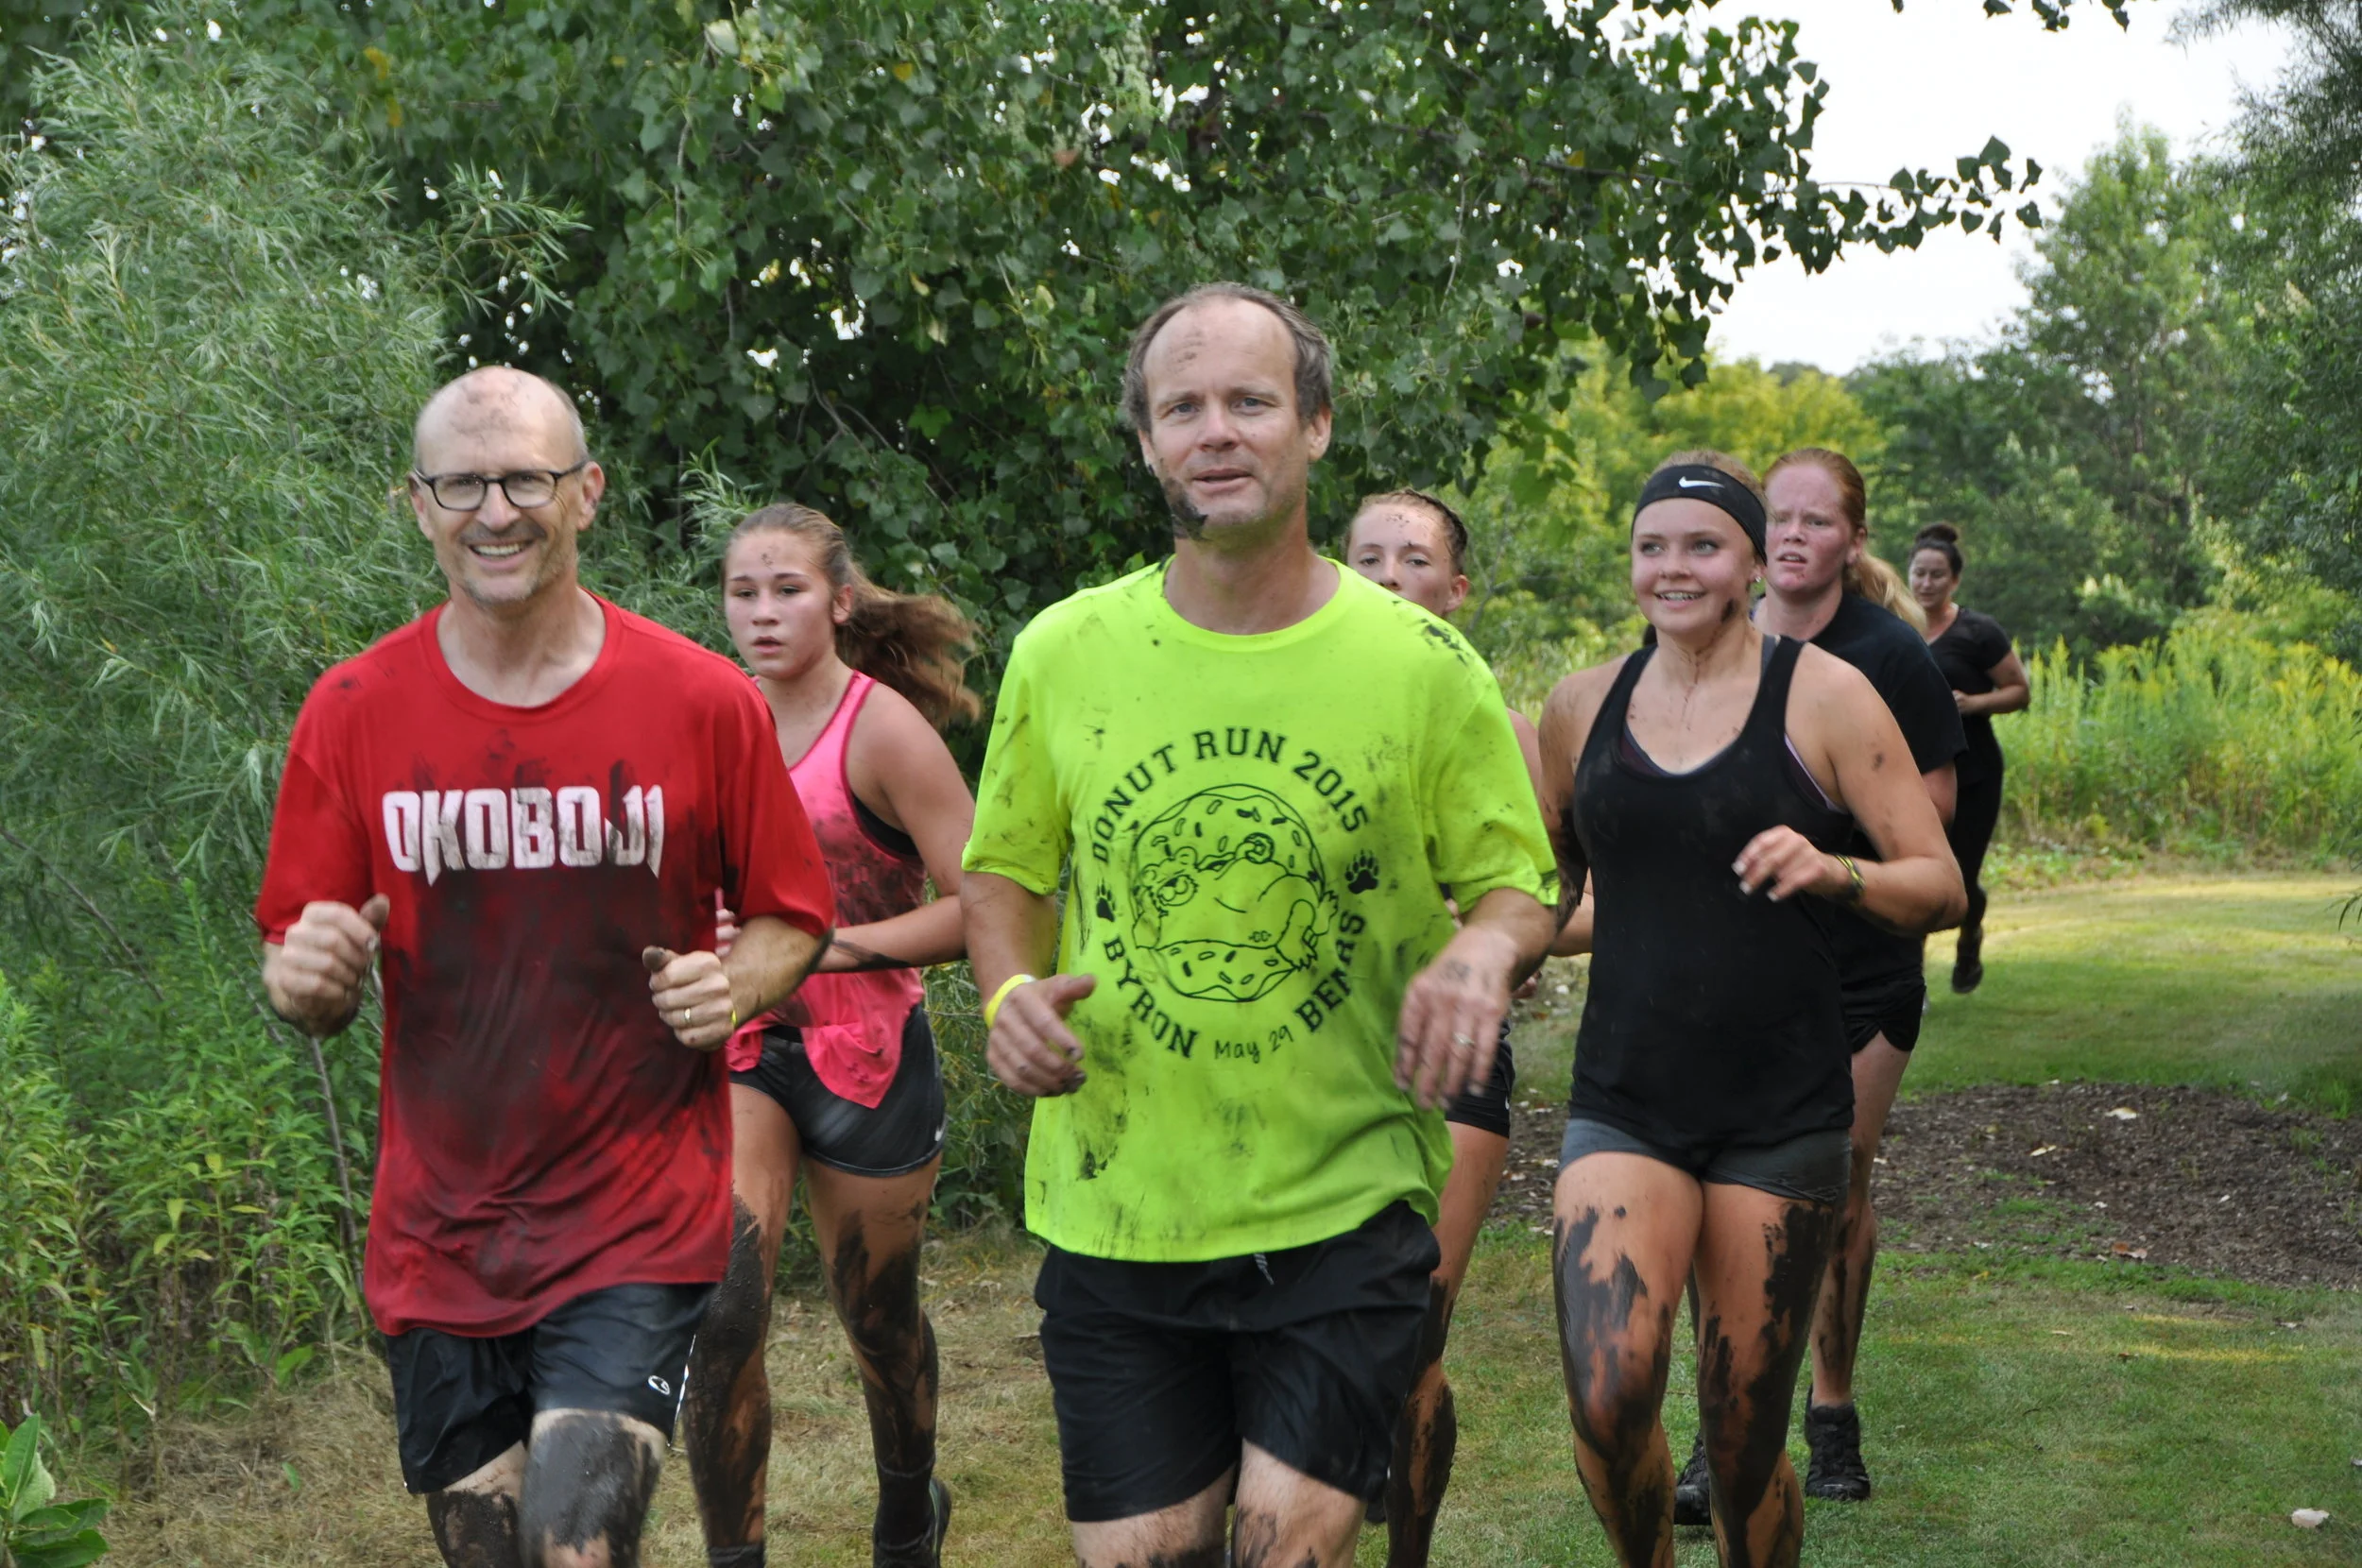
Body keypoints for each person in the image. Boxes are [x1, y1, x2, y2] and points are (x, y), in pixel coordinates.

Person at [961, 283, 1558, 1568]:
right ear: (1146, 443)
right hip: (1119, 1199)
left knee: (1288, 1548)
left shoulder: (1421, 664)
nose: (1216, 431)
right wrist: (1008, 994)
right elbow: (1003, 873)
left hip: (1344, 1197)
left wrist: (1484, 945)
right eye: (1182, 407)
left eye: (1250, 400)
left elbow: (1520, 884)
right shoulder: (1063, 651)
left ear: (1316, 425)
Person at [255, 367, 834, 1568]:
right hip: (440, 1236)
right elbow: (300, 958)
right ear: (418, 503)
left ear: (586, 493)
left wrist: (734, 985)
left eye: (526, 480)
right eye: (462, 484)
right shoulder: (352, 710)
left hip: (634, 1215)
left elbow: (792, 916)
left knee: (576, 1549)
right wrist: (307, 979)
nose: (495, 512)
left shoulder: (700, 701)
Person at [1537, 451, 1963, 1568]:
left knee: (1738, 1444)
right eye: (1651, 546)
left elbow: (1938, 883)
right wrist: (1496, 944)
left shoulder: (1824, 693)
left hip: (1779, 1110)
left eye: (1702, 545)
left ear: (1749, 564)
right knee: (1607, 1398)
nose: (1672, 567)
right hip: (1625, 1097)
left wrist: (1832, 871)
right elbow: (1560, 886)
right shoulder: (1580, 706)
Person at [1666, 446, 1965, 1517]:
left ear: (1852, 538)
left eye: (1816, 521)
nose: (1794, 537)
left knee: (1834, 1186)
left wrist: (1814, 837)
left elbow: (1931, 817)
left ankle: (1830, 1406)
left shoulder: (1888, 656)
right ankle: (1720, 1423)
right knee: (1723, 1191)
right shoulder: (1703, 638)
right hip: (1737, 960)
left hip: (1858, 965)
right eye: (1778, 520)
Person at [684, 503, 981, 1568]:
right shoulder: (709, 720)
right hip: (741, 1045)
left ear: (840, 602)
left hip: (868, 1052)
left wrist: (826, 949)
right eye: (743, 592)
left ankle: (907, 1512)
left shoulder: (883, 730)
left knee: (879, 1319)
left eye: (788, 590)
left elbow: (980, 907)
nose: (762, 612)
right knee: (721, 1310)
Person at [1344, 489, 1548, 1566]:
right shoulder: (1294, 708)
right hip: (1313, 1053)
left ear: (1457, 589)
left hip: (1453, 1057)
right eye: (1368, 556)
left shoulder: (1501, 732)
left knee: (1415, 1327)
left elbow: (1567, 905)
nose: (1389, 576)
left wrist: (1481, 939)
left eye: (1414, 559)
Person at [1908, 523, 2030, 995]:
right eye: (1919, 573)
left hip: (1974, 774)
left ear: (1955, 580)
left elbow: (2019, 691)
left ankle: (1969, 935)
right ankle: (1911, 981)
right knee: (1915, 871)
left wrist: (1974, 703)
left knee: (1961, 876)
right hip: (1913, 773)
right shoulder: (1895, 626)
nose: (1926, 583)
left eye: (1937, 575)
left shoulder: (1979, 631)